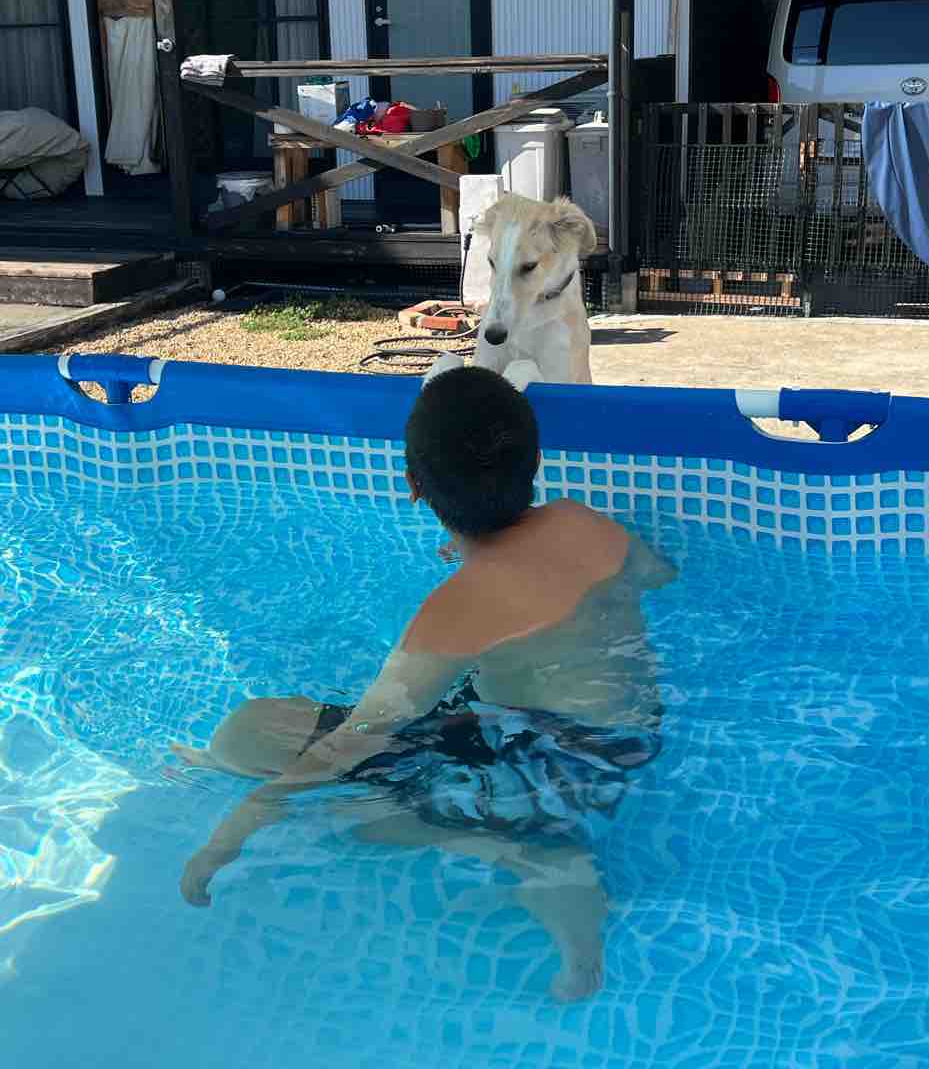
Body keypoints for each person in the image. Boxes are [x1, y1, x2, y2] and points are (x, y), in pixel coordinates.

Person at [174, 366, 676, 1001]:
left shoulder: (457, 610)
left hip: (547, 769)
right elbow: (656, 575)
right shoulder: (584, 522)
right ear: (534, 463)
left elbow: (356, 739)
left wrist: (237, 827)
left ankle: (533, 857)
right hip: (633, 736)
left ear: (414, 486)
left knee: (298, 775)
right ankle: (542, 854)